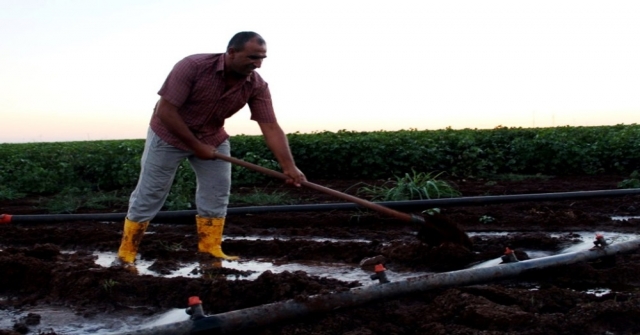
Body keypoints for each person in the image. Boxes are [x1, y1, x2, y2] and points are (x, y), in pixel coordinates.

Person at [114, 31, 306, 267]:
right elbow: (165, 111)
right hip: (168, 135)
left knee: (217, 193)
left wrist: (289, 166)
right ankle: (127, 252)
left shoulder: (256, 85)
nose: (258, 64)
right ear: (232, 52)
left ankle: (210, 249)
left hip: (212, 136)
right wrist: (196, 146)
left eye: (262, 58)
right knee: (151, 193)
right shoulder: (192, 66)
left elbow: (270, 126)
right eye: (253, 57)